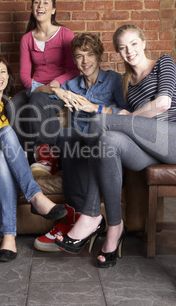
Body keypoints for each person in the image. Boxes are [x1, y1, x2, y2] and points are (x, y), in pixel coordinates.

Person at [55, 24, 176, 268]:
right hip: (150, 148)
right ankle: (115, 225)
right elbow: (129, 123)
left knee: (99, 121)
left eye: (133, 44)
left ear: (143, 42)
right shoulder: (126, 82)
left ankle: (90, 215)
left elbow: (163, 103)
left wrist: (125, 118)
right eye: (122, 48)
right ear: (118, 53)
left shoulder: (163, 63)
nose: (129, 51)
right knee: (107, 141)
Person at [31, 33, 128, 252]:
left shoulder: (114, 80)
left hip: (103, 142)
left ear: (99, 55)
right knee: (67, 135)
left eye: (90, 54)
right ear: (73, 60)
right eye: (79, 56)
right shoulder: (71, 84)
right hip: (76, 145)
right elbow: (37, 94)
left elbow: (127, 114)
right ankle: (74, 218)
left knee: (77, 136)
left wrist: (96, 108)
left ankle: (79, 221)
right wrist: (56, 89)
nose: (85, 61)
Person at [0, 55, 67, 262]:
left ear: (8, 76)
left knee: (3, 156)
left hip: (4, 157)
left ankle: (9, 238)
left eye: (2, 71)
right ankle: (36, 196)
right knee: (5, 135)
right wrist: (4, 140)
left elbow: (22, 142)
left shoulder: (12, 104)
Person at [7, 0, 79, 158]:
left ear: (53, 10)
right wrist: (36, 87)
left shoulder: (65, 34)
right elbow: (24, 74)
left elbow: (75, 69)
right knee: (12, 105)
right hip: (36, 87)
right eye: (37, 2)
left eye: (46, 2)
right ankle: (26, 153)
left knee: (37, 101)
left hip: (59, 89)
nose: (41, 6)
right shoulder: (27, 39)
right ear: (32, 8)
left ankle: (46, 152)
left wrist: (57, 82)